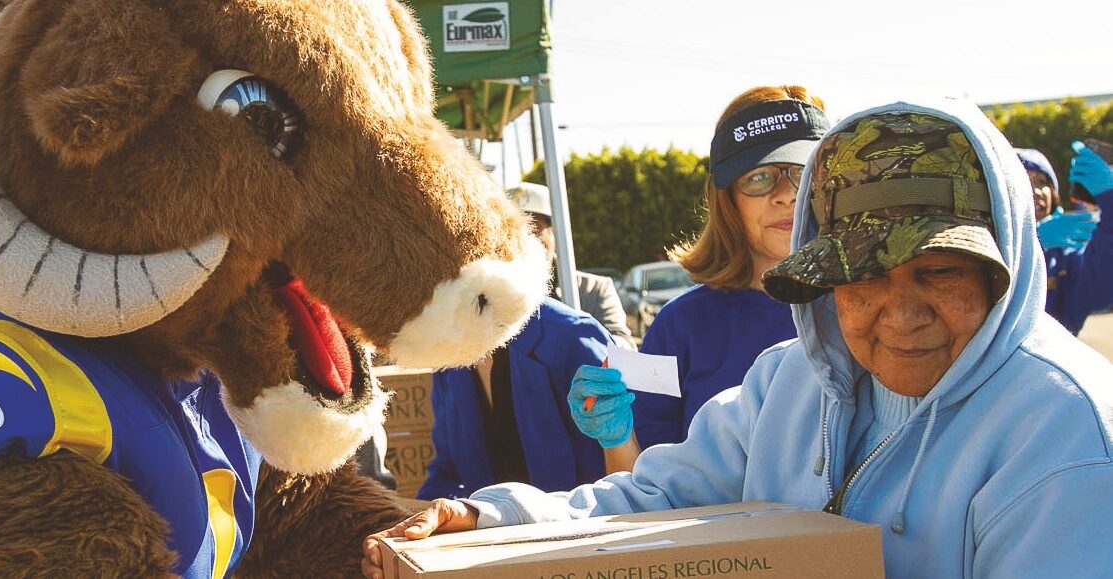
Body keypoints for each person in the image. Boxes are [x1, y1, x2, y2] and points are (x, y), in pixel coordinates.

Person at [365, 100, 1113, 579]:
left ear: (1003, 266)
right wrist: (490, 518)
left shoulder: (1061, 435)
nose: (898, 312)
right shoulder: (784, 381)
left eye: (938, 271)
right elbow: (656, 496)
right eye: (860, 278)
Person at [573, 86, 831, 472]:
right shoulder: (681, 326)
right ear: (727, 201)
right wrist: (617, 436)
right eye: (759, 178)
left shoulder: (867, 303)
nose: (785, 195)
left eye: (801, 173)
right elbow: (642, 486)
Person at [415, 192, 616, 499]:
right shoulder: (449, 356)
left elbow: (624, 463)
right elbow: (448, 470)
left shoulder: (572, 338)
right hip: (493, 538)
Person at [506, 183, 636, 348]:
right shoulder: (492, 296)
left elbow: (624, 348)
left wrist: (585, 341)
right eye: (516, 230)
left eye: (534, 228)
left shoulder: (594, 290)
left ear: (554, 233)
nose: (526, 238)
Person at [1020, 146, 1113, 334]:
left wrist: (1110, 200)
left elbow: (1102, 292)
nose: (1035, 191)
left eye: (1041, 181)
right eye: (1023, 180)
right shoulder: (985, 241)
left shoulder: (1068, 253)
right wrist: (1031, 242)